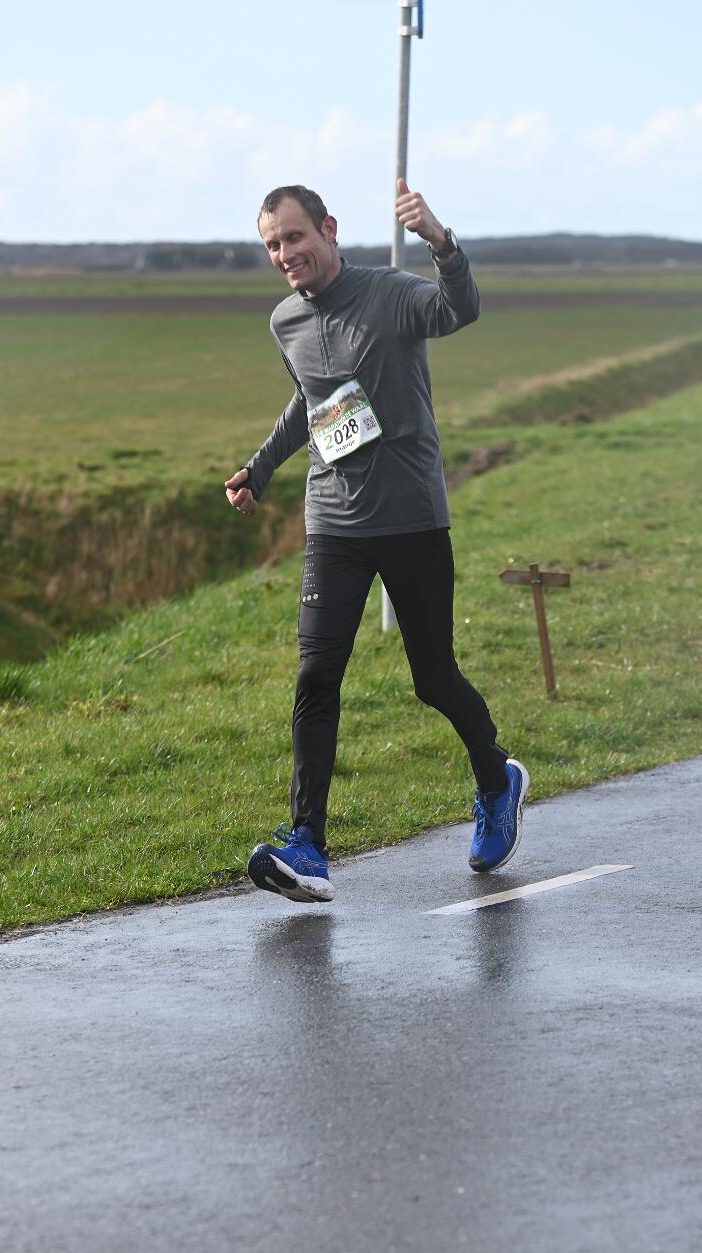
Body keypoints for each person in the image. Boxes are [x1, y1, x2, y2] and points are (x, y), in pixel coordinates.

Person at [225, 180, 528, 904]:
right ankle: (308, 845)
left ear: (327, 229)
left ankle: (497, 781)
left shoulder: (390, 294)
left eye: (294, 237)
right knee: (316, 675)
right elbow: (310, 401)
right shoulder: (285, 321)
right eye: (272, 244)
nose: (285, 254)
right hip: (333, 521)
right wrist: (259, 469)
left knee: (433, 678)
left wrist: (440, 242)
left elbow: (459, 308)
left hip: (410, 516)